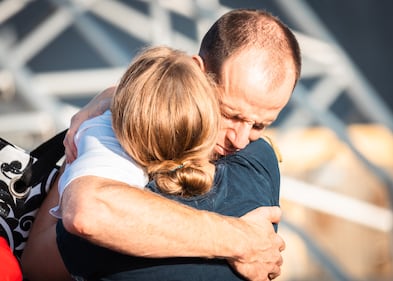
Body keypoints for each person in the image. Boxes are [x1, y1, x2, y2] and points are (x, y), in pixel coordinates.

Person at [26, 8, 301, 281]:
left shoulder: (117, 209)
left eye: (260, 125)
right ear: (197, 72)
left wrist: (93, 131)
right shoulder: (261, 164)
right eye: (230, 114)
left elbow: (45, 255)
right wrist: (241, 239)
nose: (239, 140)